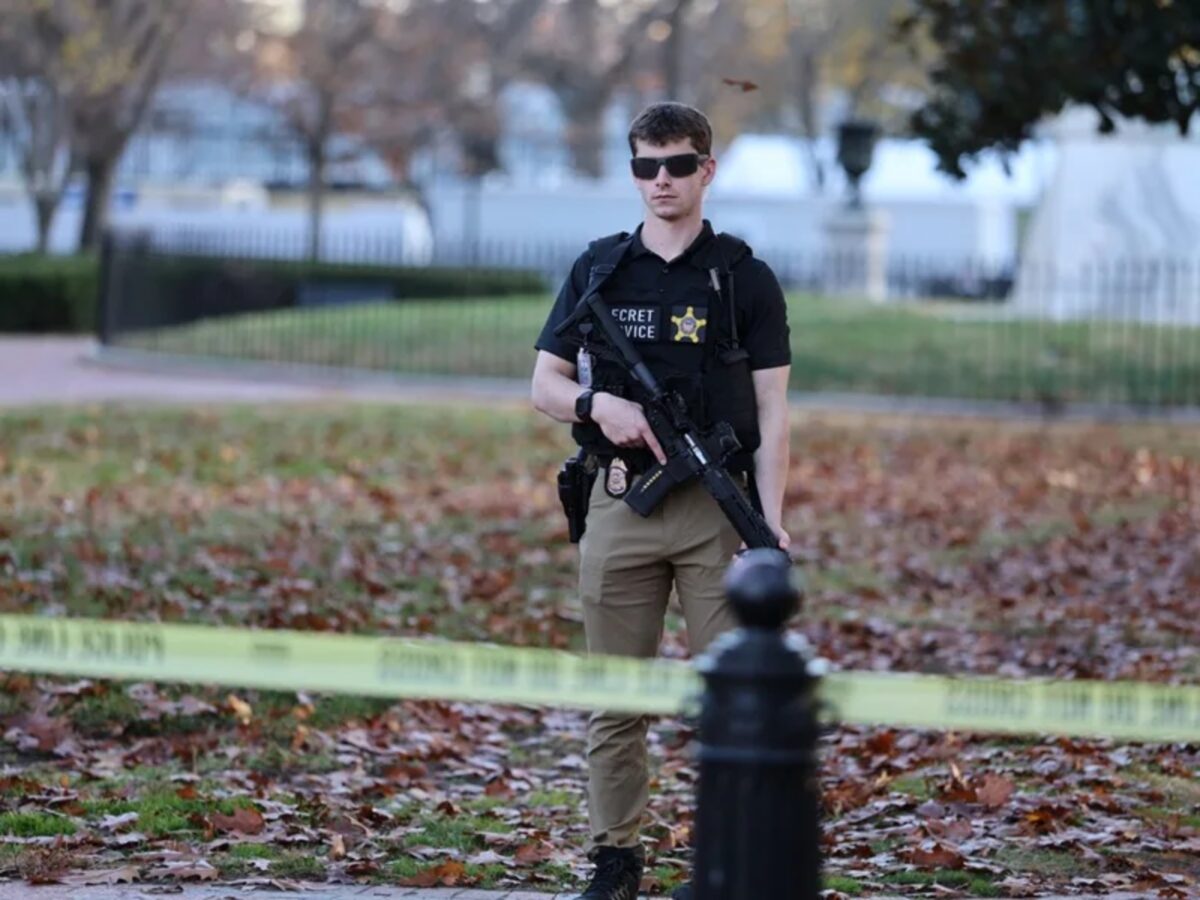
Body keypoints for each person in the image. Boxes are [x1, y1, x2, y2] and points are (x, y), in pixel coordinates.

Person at [530, 101, 792, 900]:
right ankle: (616, 861)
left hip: (717, 511)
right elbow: (544, 383)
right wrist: (596, 406)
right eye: (647, 166)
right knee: (616, 699)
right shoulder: (599, 270)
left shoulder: (744, 278)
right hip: (621, 502)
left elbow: (774, 412)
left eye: (678, 165)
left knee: (730, 704)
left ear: (707, 169)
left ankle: (729, 864)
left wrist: (771, 525)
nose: (662, 181)